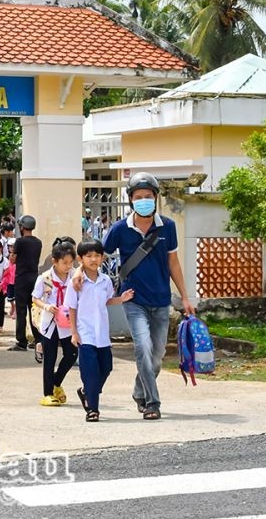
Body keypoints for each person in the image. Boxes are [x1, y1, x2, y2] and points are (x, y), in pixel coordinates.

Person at [96, 172, 195, 420]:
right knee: (143, 347)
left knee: (157, 355)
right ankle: (152, 402)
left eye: (148, 197)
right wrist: (81, 275)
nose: (143, 201)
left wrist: (184, 297)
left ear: (155, 198)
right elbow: (99, 257)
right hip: (133, 299)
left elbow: (174, 264)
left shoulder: (168, 227)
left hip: (161, 299)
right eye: (138, 197)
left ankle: (140, 391)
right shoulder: (120, 229)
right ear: (130, 200)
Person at [69, 239, 134, 422]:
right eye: (88, 256)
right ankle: (93, 409)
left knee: (106, 367)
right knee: (90, 372)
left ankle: (86, 392)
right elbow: (72, 308)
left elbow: (107, 301)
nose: (93, 259)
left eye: (97, 255)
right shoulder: (77, 282)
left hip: (102, 334)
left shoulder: (105, 280)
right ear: (80, 258)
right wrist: (74, 332)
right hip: (85, 333)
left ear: (103, 257)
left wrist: (121, 299)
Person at [35, 239, 80, 407]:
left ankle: (56, 382)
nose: (68, 266)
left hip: (69, 321)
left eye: (70, 262)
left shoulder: (76, 275)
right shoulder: (45, 278)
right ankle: (47, 393)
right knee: (50, 357)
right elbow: (35, 298)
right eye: (64, 262)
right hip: (50, 323)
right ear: (55, 261)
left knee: (71, 354)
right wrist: (47, 306)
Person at [9, 215, 43, 352]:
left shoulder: (20, 242)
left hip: (22, 278)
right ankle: (38, 339)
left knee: (21, 310)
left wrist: (12, 254)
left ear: (22, 227)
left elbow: (12, 260)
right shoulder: (38, 242)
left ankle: (21, 341)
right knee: (33, 309)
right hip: (34, 277)